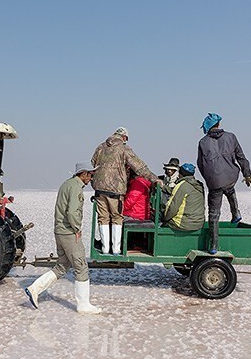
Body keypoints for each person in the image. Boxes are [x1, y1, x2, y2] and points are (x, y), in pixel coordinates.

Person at [24, 162, 102, 315]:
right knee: (81, 267)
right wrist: (77, 228)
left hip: (60, 231)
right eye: (91, 174)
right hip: (68, 233)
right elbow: (72, 212)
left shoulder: (67, 184)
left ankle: (35, 289)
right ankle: (83, 305)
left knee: (62, 266)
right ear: (83, 173)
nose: (92, 178)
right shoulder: (75, 187)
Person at [91, 127, 160, 254]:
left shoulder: (100, 147)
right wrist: (154, 179)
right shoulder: (124, 149)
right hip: (116, 190)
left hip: (99, 189)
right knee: (116, 218)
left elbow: (93, 161)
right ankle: (116, 249)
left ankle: (105, 249)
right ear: (124, 137)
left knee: (103, 218)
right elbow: (139, 166)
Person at [197, 113, 251, 253]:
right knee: (229, 188)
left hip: (214, 182)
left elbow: (200, 164)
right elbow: (241, 157)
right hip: (230, 177)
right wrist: (247, 174)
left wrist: (209, 178)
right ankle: (235, 213)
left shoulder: (203, 142)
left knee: (214, 213)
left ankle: (214, 245)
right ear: (218, 124)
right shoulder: (231, 137)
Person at [162, 163, 205, 231]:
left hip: (184, 224)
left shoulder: (182, 185)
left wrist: (164, 218)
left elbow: (172, 208)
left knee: (159, 219)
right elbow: (173, 191)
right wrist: (163, 187)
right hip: (198, 224)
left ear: (180, 173)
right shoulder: (198, 186)